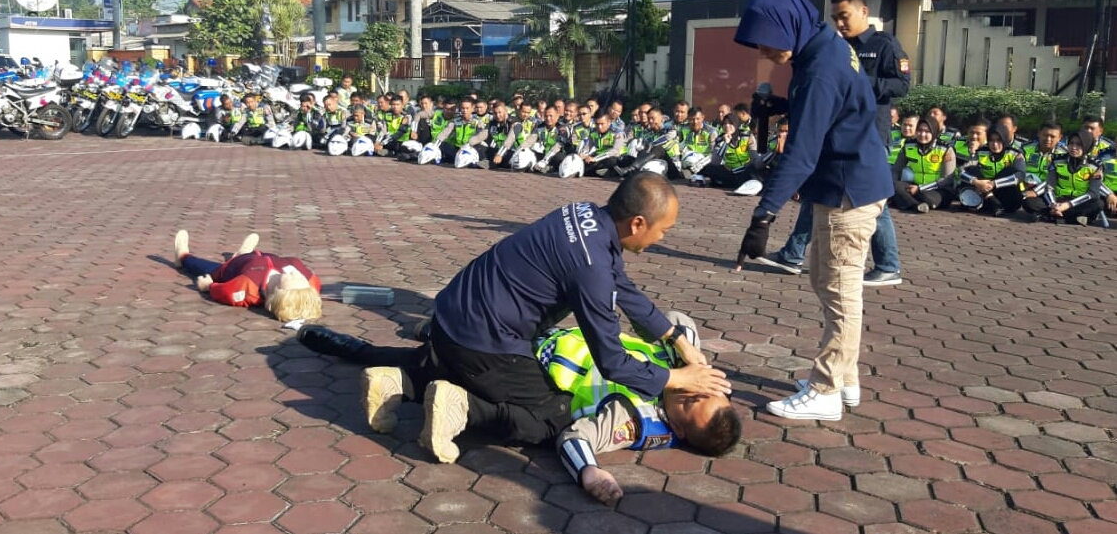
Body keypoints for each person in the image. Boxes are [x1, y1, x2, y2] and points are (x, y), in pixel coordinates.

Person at [298, 173, 731, 463]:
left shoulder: (583, 215)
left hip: (450, 318)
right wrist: (679, 380)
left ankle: (398, 383)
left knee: (458, 362)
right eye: (663, 231)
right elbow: (612, 362)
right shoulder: (592, 268)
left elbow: (627, 293)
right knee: (558, 414)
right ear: (638, 223)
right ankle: (461, 410)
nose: (662, 239)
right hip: (484, 344)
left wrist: (678, 339)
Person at [733, 0, 892, 422]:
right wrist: (782, 106)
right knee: (825, 279)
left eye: (767, 41)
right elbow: (827, 112)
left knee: (842, 292)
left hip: (849, 190)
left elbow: (801, 152)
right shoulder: (823, 47)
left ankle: (825, 390)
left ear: (790, 27)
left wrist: (764, 214)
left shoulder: (820, 67)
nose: (764, 52)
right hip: (844, 183)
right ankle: (844, 376)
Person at [764, 0, 905, 286]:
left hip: (870, 132)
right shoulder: (838, 47)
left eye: (845, 16)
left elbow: (902, 85)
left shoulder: (884, 45)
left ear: (864, 11)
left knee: (870, 202)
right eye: (835, 18)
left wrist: (859, 82)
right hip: (836, 134)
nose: (840, 23)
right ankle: (793, 252)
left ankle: (889, 263)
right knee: (819, 192)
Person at [541, 313, 741, 505]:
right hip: (559, 331)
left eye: (689, 402)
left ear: (678, 429)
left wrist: (588, 471)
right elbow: (677, 317)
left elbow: (574, 437)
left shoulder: (633, 416)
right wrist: (688, 356)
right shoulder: (681, 366)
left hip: (538, 360)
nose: (691, 388)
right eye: (707, 390)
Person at [172, 231, 323, 322]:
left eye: (294, 279)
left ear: (279, 292)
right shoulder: (310, 282)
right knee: (246, 257)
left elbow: (224, 292)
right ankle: (243, 253)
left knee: (204, 267)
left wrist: (208, 286)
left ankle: (183, 256)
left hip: (232, 269)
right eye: (302, 279)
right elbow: (313, 285)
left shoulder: (247, 289)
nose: (296, 274)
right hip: (257, 258)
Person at [1022, 130, 1105, 224]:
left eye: (1079, 144)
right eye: (1071, 143)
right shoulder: (1057, 160)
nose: (1074, 147)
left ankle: (1048, 216)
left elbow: (1092, 193)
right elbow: (1049, 187)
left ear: (1087, 146)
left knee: (1098, 204)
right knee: (1028, 202)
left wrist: (1068, 205)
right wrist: (1053, 204)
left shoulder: (1096, 166)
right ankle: (1070, 218)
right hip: (1058, 200)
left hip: (1078, 202)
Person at [958, 122, 1027, 216]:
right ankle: (991, 200)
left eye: (999, 140)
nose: (995, 144)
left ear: (1004, 140)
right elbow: (962, 171)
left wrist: (994, 184)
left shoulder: (1015, 154)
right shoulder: (981, 152)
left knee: (1010, 170)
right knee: (972, 169)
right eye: (991, 140)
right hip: (983, 190)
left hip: (1005, 194)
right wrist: (976, 182)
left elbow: (1021, 175)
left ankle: (993, 202)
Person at [890, 116, 956, 213]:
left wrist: (920, 188)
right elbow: (896, 169)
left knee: (927, 198)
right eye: (919, 130)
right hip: (913, 186)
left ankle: (906, 201)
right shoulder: (908, 145)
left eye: (927, 131)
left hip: (938, 189)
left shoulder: (945, 149)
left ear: (934, 132)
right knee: (894, 185)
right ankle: (917, 205)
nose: (922, 134)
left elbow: (947, 179)